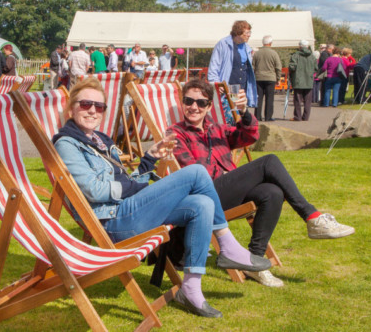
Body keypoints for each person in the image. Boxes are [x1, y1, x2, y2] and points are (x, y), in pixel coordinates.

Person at [53, 77, 271, 318]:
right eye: (85, 104)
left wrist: (149, 158)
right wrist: (136, 190)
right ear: (72, 107)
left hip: (128, 210)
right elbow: (94, 190)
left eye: (99, 106)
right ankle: (227, 246)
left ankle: (191, 288)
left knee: (202, 203)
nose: (93, 110)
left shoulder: (100, 140)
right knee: (197, 173)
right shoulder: (68, 144)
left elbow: (128, 181)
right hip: (114, 222)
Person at [171, 79, 355, 287]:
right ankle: (312, 217)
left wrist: (244, 112)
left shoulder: (216, 129)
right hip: (204, 199)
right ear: (182, 103)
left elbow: (250, 136)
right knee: (269, 161)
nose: (194, 107)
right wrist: (235, 178)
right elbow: (197, 175)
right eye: (189, 101)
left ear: (209, 107)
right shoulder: (175, 134)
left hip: (225, 194)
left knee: (272, 192)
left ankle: (254, 261)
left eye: (201, 103)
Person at [208, 20, 258, 108]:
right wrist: (216, 83)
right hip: (230, 86)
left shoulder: (247, 47)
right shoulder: (223, 44)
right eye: (247, 32)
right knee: (231, 111)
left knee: (240, 112)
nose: (249, 35)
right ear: (238, 32)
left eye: (250, 32)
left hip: (242, 87)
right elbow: (214, 66)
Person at [252, 35, 282, 121]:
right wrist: (278, 78)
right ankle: (268, 117)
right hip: (270, 78)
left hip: (258, 78)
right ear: (270, 43)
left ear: (263, 43)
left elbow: (253, 66)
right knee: (269, 98)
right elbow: (278, 67)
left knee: (259, 98)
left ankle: (257, 116)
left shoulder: (257, 53)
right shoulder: (274, 53)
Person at [289, 40, 318, 121]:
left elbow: (292, 67)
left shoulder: (295, 56)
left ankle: (297, 117)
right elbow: (316, 68)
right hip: (308, 80)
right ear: (308, 47)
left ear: (300, 46)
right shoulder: (312, 56)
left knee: (298, 100)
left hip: (298, 81)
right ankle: (306, 117)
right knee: (308, 101)